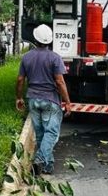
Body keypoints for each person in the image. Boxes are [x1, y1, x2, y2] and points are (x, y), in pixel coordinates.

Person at [15, 24, 71, 175]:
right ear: (49, 40)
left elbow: (20, 79)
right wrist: (67, 102)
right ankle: (40, 158)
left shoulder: (26, 57)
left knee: (41, 134)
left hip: (33, 99)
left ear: (35, 39)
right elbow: (60, 82)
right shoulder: (55, 58)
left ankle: (47, 166)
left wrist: (19, 98)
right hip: (50, 100)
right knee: (51, 133)